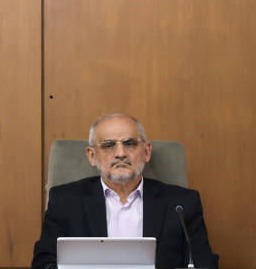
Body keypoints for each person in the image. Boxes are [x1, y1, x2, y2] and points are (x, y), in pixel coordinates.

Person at [32, 113, 218, 269]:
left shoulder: (183, 204)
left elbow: (204, 265)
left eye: (129, 143)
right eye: (108, 145)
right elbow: (43, 264)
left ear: (146, 152)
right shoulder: (65, 202)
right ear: (92, 156)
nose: (120, 153)